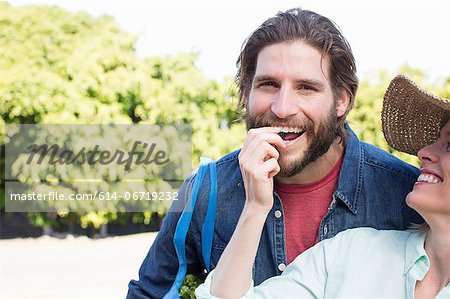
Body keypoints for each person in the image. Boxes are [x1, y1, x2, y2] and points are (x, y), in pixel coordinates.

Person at [127, 8, 422, 298]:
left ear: (342, 100)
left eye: (306, 88)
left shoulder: (404, 193)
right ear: (246, 92)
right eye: (268, 85)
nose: (282, 108)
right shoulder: (205, 189)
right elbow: (149, 293)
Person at [195, 74, 450, 298]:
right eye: (269, 84)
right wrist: (255, 207)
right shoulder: (349, 252)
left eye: (449, 145)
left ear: (342, 100)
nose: (424, 151)